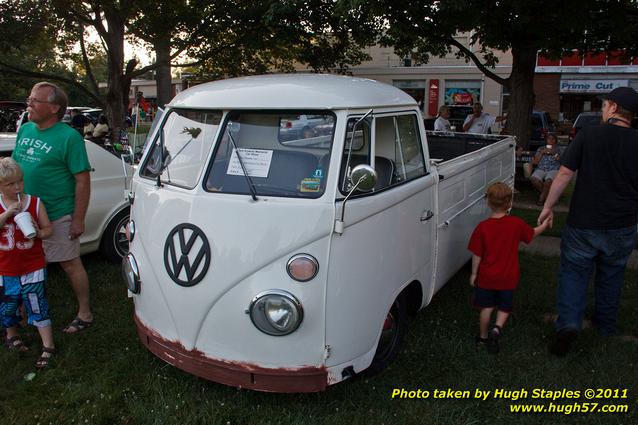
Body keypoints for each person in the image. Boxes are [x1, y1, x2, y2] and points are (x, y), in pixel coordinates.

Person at [538, 86, 638, 356]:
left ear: (613, 107)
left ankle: (568, 323)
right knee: (612, 275)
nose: (603, 109)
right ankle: (605, 326)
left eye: (605, 104)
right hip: (623, 225)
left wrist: (548, 207)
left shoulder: (589, 134)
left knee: (574, 273)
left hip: (584, 222)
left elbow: (564, 174)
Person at [13, 82, 94, 334]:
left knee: (69, 263)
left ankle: (85, 312)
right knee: (23, 266)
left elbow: (82, 180)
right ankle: (23, 313)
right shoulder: (25, 129)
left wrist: (78, 219)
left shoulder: (69, 138)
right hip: (24, 214)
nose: (30, 105)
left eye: (36, 100)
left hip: (58, 212)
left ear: (54, 108)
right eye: (30, 99)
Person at [468, 182, 549, 353]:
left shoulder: (482, 228)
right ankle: (497, 328)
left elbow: (477, 254)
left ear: (488, 202)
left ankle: (482, 338)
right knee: (504, 307)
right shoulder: (516, 224)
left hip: (487, 277)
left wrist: (474, 274)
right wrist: (544, 224)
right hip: (508, 277)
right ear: (510, 203)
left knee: (487, 308)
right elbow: (532, 234)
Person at [0, 158, 55, 367]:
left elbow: (48, 229)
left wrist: (39, 231)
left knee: (36, 302)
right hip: (5, 268)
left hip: (33, 266)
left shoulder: (35, 202)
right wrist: (8, 213)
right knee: (8, 304)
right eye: (10, 184)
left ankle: (48, 344)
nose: (17, 187)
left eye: (19, 182)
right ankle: (12, 335)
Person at [529, 133, 564, 206]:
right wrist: (541, 153)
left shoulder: (559, 149)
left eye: (552, 139)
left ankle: (541, 198)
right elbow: (536, 162)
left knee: (548, 181)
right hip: (541, 168)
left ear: (555, 140)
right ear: (546, 140)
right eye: (549, 138)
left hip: (553, 169)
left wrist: (554, 154)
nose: (550, 140)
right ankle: (549, 196)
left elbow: (563, 161)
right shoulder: (541, 148)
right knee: (533, 179)